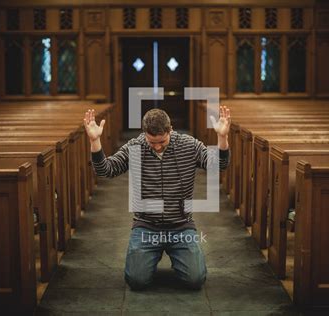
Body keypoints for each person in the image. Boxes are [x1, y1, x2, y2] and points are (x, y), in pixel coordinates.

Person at [83, 106, 231, 291]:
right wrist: (95, 141)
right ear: (144, 133)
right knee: (136, 281)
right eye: (152, 142)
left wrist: (222, 138)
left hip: (180, 226)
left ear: (170, 130)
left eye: (162, 141)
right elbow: (106, 170)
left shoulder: (189, 145)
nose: (157, 146)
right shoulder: (135, 147)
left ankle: (180, 258)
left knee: (195, 280)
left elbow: (219, 165)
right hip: (146, 226)